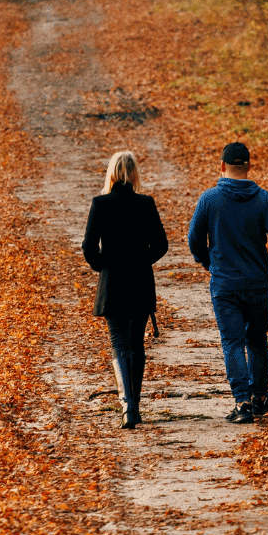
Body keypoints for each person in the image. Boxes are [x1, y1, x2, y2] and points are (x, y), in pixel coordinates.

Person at [187, 142, 268, 424]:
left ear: (222, 166)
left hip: (225, 285)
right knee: (257, 341)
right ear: (249, 166)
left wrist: (206, 262)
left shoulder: (210, 199)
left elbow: (194, 238)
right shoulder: (262, 199)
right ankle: (260, 396)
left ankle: (242, 403)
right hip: (257, 284)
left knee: (232, 342)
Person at [82, 150, 169, 429]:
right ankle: (136, 405)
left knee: (120, 344)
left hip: (113, 284)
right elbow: (161, 245)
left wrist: (104, 266)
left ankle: (127, 407)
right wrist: (142, 261)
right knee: (137, 344)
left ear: (111, 173)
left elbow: (88, 247)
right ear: (134, 174)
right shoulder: (145, 203)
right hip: (140, 282)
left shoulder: (100, 203)